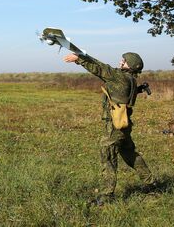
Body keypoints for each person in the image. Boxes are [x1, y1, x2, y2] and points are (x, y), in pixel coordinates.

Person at [63, 52, 155, 205]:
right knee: (129, 153)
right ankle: (151, 183)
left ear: (130, 65)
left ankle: (107, 196)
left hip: (114, 126)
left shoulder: (119, 77)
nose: (121, 61)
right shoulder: (130, 79)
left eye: (124, 61)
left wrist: (79, 60)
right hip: (124, 125)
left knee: (107, 156)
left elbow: (100, 68)